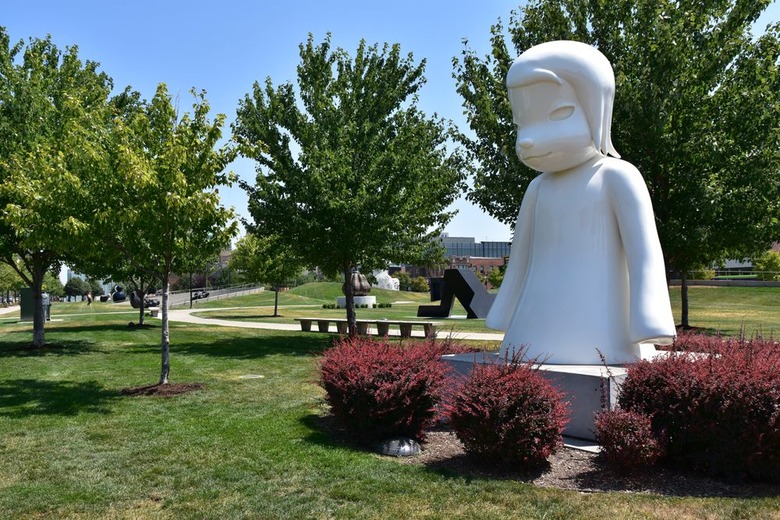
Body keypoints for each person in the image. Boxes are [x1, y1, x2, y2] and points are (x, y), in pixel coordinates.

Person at [485, 40, 676, 365]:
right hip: (531, 327)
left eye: (558, 114)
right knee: (525, 353)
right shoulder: (538, 188)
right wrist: (503, 310)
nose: (528, 139)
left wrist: (651, 317)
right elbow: (520, 259)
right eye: (521, 125)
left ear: (597, 109)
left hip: (605, 333)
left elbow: (643, 253)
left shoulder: (617, 176)